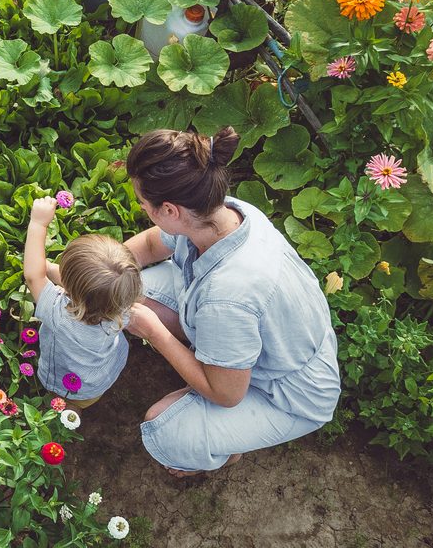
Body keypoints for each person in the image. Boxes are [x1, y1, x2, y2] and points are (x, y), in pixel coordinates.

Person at [123, 127, 341, 476]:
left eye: (143, 203)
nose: (142, 208)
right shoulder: (223, 212)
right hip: (269, 339)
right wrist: (106, 266)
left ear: (169, 210)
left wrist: (154, 332)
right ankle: (214, 365)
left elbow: (225, 394)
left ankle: (224, 451)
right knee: (130, 290)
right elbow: (151, 245)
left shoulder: (227, 297)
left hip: (290, 393)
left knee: (166, 431)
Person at [23, 196, 141, 408]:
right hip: (101, 377)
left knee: (63, 405)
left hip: (69, 384)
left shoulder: (60, 315)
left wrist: (38, 223)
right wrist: (49, 268)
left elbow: (33, 276)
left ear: (69, 288)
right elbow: (88, 290)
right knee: (81, 403)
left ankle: (65, 418)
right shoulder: (123, 304)